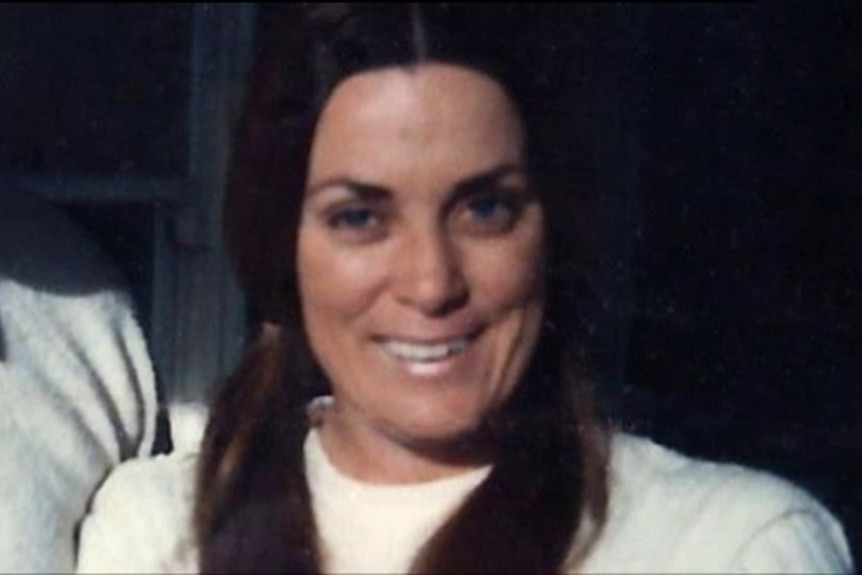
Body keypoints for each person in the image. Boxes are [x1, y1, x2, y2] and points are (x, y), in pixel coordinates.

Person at [76, 4, 853, 573]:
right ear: (283, 245)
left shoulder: (728, 545)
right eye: (359, 217)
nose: (431, 280)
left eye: (485, 208)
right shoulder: (164, 531)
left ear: (551, 228)